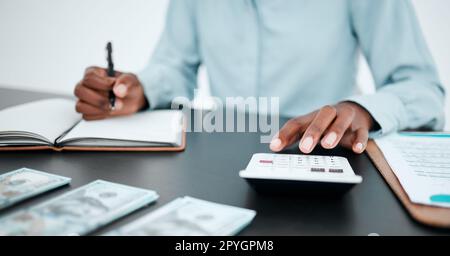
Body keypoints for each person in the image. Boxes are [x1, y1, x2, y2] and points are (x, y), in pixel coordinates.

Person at [73, 0, 445, 154]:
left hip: (330, 153)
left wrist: (361, 110)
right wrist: (140, 90)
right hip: (224, 150)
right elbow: (175, 64)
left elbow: (422, 88)